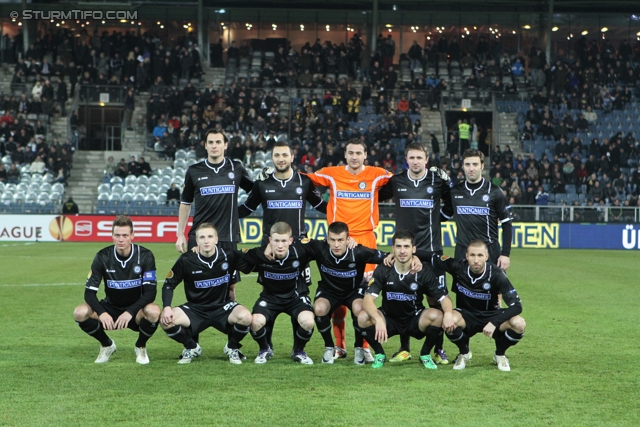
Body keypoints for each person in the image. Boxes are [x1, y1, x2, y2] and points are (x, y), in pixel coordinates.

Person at [306, 138, 393, 361]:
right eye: (350, 153)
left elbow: (402, 182)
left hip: (365, 239)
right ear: (345, 155)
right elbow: (306, 181)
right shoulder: (332, 173)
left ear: (366, 155)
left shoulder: (377, 174)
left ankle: (363, 346)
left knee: (365, 296)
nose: (354, 157)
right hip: (337, 240)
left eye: (358, 153)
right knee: (336, 290)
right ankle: (339, 345)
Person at [240, 141, 327, 354]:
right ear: (272, 158)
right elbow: (246, 208)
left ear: (291, 157)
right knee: (269, 293)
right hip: (270, 249)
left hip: (300, 251)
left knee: (300, 295)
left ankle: (298, 349)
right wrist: (219, 213)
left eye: (284, 155)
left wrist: (349, 215)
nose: (281, 159)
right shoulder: (262, 184)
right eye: (277, 155)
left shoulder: (304, 182)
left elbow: (323, 206)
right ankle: (266, 347)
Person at [176, 129, 253, 347]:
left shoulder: (236, 168)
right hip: (199, 238)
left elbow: (256, 190)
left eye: (218, 142)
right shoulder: (194, 171)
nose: (214, 146)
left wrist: (242, 210)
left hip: (228, 237)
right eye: (210, 142)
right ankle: (192, 346)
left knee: (230, 289)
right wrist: (180, 233)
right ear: (206, 145)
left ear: (226, 145)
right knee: (195, 290)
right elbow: (185, 203)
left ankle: (233, 346)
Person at [378, 142, 452, 364]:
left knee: (436, 300)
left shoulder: (437, 181)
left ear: (426, 160)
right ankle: (404, 349)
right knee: (403, 297)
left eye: (420, 158)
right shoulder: (397, 181)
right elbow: (373, 195)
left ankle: (438, 349)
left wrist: (449, 181)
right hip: (404, 250)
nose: (416, 161)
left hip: (431, 251)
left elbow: (452, 201)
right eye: (412, 158)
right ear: (406, 160)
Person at [358, 230, 454, 369]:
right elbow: (367, 300)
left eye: (406, 247)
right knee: (362, 317)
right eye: (398, 246)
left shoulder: (423, 271)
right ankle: (379, 353)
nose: (402, 251)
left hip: (414, 319)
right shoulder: (384, 269)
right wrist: (378, 319)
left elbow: (444, 298)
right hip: (389, 318)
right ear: (393, 249)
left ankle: (424, 354)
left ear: (413, 249)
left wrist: (449, 314)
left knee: (438, 316)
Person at [160, 223, 253, 364]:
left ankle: (232, 347)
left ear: (216, 239)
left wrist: (269, 250)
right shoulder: (187, 260)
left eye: (210, 236)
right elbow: (168, 284)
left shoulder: (228, 255)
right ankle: (192, 347)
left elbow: (251, 259)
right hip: (195, 309)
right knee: (166, 321)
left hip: (222, 307)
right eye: (202, 237)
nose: (206, 240)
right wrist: (167, 307)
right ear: (197, 241)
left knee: (246, 317)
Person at [72, 215, 160, 364]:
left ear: (132, 236)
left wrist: (130, 312)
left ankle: (140, 347)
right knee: (80, 313)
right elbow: (89, 293)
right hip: (110, 307)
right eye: (117, 235)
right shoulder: (102, 256)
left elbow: (150, 292)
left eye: (125, 235)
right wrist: (102, 312)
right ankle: (107, 345)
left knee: (154, 311)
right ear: (112, 236)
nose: (121, 239)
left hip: (136, 310)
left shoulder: (145, 256)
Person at [429, 240, 525, 371]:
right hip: (466, 315)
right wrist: (413, 256)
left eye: (480, 255)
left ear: (486, 256)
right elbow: (430, 257)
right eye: (472, 255)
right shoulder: (458, 266)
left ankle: (500, 354)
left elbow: (517, 306)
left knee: (519, 324)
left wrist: (494, 322)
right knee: (448, 321)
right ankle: (464, 353)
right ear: (466, 256)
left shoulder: (497, 274)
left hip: (492, 314)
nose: (476, 260)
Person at [303, 222, 389, 364]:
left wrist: (414, 258)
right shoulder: (319, 248)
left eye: (340, 240)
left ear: (348, 239)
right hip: (328, 291)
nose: (336, 245)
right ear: (327, 239)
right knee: (318, 308)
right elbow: (294, 244)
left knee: (359, 309)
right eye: (333, 240)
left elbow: (386, 256)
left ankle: (359, 348)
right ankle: (329, 347)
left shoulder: (358, 251)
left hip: (353, 291)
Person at [243, 222, 317, 364]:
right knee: (255, 322)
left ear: (290, 241)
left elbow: (325, 245)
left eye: (284, 241)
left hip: (295, 297)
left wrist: (349, 240)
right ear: (270, 241)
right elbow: (235, 256)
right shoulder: (260, 254)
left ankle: (298, 351)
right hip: (270, 298)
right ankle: (265, 349)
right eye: (276, 240)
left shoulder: (300, 252)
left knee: (308, 321)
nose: (280, 245)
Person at [445, 149, 512, 270]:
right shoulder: (455, 192)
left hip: (489, 251)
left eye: (475, 164)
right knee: (463, 289)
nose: (471, 168)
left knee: (493, 289)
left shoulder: (495, 192)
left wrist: (505, 254)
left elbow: (507, 223)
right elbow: (443, 215)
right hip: (462, 252)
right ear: (463, 166)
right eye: (467, 164)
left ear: (482, 166)